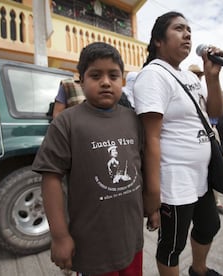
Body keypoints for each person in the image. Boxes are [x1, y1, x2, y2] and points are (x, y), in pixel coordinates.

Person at [33, 42, 144, 275]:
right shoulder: (66, 123)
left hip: (131, 240)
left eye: (113, 75)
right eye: (95, 75)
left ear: (122, 81)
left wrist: (153, 206)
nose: (105, 82)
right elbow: (50, 178)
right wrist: (60, 236)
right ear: (81, 81)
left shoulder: (134, 119)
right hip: (92, 245)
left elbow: (140, 165)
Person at [134, 11, 223, 276]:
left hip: (200, 177)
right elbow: (150, 137)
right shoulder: (153, 75)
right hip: (175, 180)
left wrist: (212, 76)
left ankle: (199, 270)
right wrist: (153, 195)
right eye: (178, 29)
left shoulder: (188, 77)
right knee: (172, 247)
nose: (187, 35)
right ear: (158, 41)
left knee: (209, 226)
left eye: (189, 30)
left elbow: (215, 113)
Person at [189, 64, 223, 216]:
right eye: (194, 74)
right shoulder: (184, 87)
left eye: (199, 74)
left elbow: (216, 110)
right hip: (193, 134)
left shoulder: (204, 88)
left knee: (214, 166)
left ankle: (217, 201)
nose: (197, 76)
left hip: (211, 130)